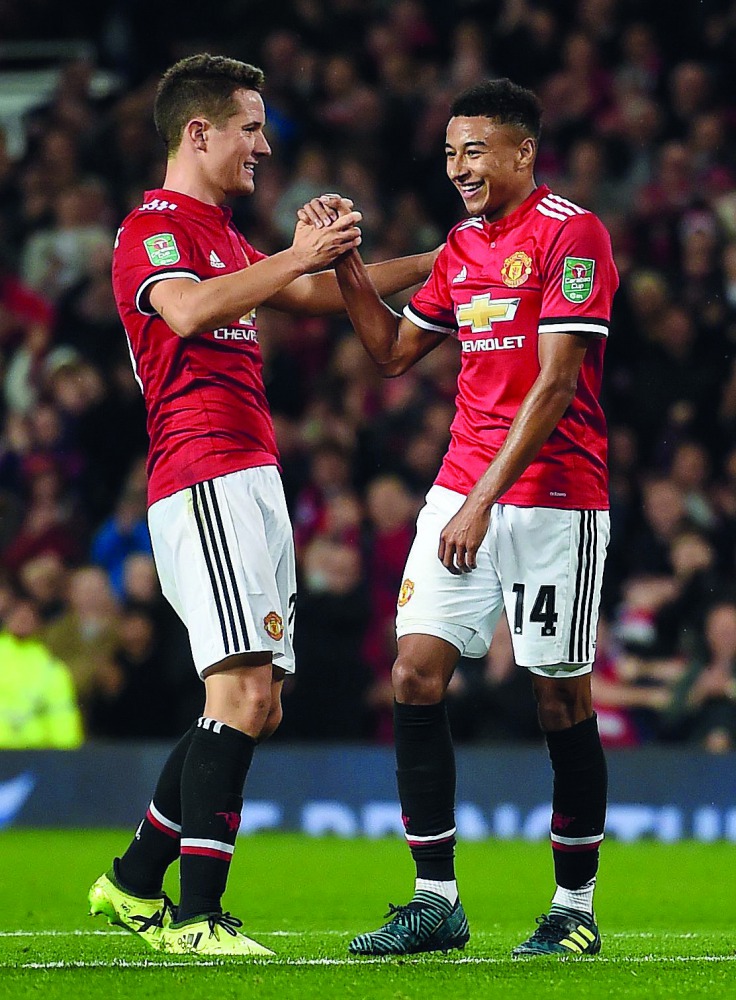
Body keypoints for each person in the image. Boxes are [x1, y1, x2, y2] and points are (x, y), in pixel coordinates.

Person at [87, 53, 437, 958]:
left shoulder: (227, 233)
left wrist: (447, 260)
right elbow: (192, 312)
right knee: (238, 694)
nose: (264, 143)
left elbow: (316, 291)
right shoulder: (153, 228)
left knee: (257, 705)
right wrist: (297, 251)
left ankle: (131, 883)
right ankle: (197, 921)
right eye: (249, 126)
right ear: (197, 133)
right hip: (201, 476)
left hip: (250, 476)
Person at [317, 77, 618, 958]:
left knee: (559, 696)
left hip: (552, 496)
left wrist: (483, 502)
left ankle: (574, 908)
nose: (458, 168)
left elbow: (558, 384)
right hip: (461, 488)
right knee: (413, 673)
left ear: (524, 152)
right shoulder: (459, 246)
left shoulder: (573, 233)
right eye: (450, 152)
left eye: (475, 150)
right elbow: (390, 352)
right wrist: (341, 262)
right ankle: (435, 900)